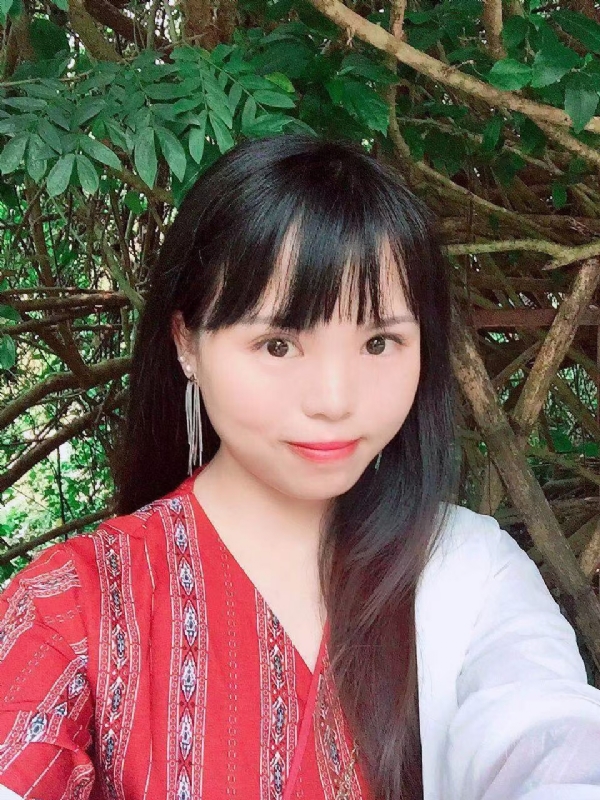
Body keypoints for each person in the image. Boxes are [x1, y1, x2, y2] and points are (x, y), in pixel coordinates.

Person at [0, 134, 599, 800]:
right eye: (278, 344)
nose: (334, 401)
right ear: (186, 343)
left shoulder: (469, 573)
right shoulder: (71, 605)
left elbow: (549, 744)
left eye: (380, 342)